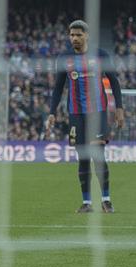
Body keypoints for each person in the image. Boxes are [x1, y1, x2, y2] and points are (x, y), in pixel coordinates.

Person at [47, 20, 124, 213]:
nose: (75, 38)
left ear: (87, 36)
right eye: (72, 35)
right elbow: (58, 87)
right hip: (75, 114)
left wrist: (120, 109)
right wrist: (52, 112)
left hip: (97, 113)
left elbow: (114, 82)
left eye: (78, 35)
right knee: (82, 158)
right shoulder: (64, 58)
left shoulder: (100, 55)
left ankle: (106, 200)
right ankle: (87, 202)